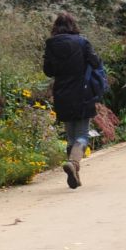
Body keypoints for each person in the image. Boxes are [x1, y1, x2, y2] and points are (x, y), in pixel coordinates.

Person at [42, 11, 103, 189]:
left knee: (71, 137)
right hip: (82, 92)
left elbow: (48, 71)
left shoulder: (50, 45)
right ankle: (73, 164)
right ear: (72, 25)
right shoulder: (82, 42)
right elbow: (96, 62)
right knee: (82, 135)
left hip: (62, 93)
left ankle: (74, 171)